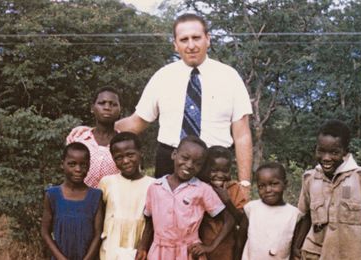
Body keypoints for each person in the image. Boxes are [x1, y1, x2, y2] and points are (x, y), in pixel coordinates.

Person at [69, 13, 253, 193]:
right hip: (169, 162)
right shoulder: (162, 76)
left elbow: (242, 135)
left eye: (196, 38)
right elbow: (136, 123)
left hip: (214, 164)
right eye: (184, 39)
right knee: (165, 221)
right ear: (175, 44)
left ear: (208, 39)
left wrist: (244, 183)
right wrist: (94, 132)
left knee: (215, 223)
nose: (191, 45)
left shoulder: (229, 77)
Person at [292, 120, 361, 260]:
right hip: (315, 254)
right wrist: (296, 247)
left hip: (350, 254)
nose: (326, 158)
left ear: (345, 152)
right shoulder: (310, 179)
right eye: (321, 151)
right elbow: (305, 217)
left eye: (334, 152)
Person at [135, 136, 235, 260]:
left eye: (197, 163)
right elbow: (149, 221)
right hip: (159, 252)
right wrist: (142, 246)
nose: (189, 165)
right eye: (185, 158)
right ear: (174, 154)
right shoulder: (155, 187)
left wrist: (210, 247)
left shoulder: (202, 189)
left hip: (188, 252)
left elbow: (229, 220)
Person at [41, 142, 104, 260]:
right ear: (62, 164)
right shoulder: (52, 195)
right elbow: (45, 232)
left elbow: (98, 234)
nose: (78, 169)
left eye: (83, 165)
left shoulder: (96, 196)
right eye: (72, 164)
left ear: (89, 166)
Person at [98, 132, 155, 260]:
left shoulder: (153, 185)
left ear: (141, 153)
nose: (125, 161)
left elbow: (151, 221)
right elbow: (99, 217)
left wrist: (143, 246)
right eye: (119, 157)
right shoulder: (107, 182)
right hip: (110, 247)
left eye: (130, 155)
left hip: (138, 247)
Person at [237, 162, 303, 260]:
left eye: (274, 184)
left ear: (285, 184)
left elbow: (294, 249)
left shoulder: (294, 214)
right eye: (261, 186)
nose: (268, 190)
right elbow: (240, 242)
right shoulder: (252, 209)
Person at [198, 145, 248, 260]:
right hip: (202, 246)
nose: (220, 175)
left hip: (227, 249)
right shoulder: (200, 188)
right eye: (214, 170)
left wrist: (227, 201)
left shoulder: (234, 188)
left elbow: (242, 221)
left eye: (224, 171)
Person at [66, 87, 121, 188]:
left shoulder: (124, 143)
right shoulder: (78, 139)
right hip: (80, 201)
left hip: (113, 202)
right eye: (102, 103)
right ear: (92, 108)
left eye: (113, 104)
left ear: (119, 109)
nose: (107, 107)